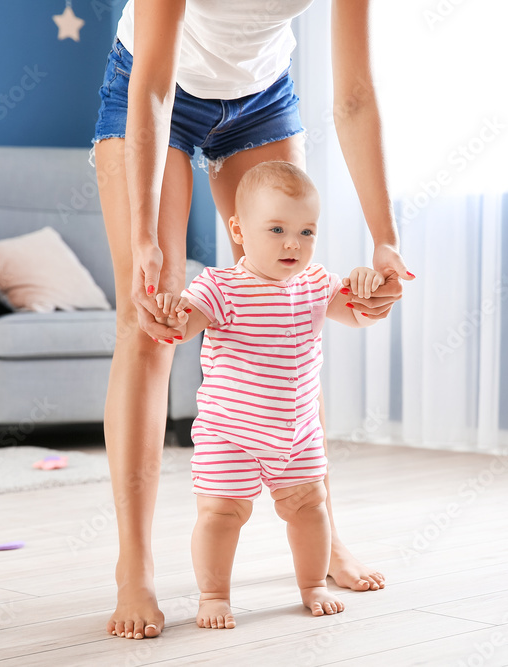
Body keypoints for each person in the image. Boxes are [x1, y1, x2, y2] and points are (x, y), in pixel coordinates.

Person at [92, 0, 412, 640]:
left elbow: (352, 94)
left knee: (287, 310)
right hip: (156, 89)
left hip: (262, 95)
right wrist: (147, 237)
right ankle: (136, 565)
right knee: (149, 320)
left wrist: (385, 239)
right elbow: (153, 87)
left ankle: (319, 526)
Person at [154, 161, 383, 628]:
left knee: (310, 509)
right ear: (238, 230)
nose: (293, 243)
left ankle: (313, 583)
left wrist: (369, 285)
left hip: (297, 432)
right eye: (276, 229)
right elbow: (188, 322)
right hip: (229, 432)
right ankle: (214, 594)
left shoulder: (317, 283)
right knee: (221, 514)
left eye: (306, 231)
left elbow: (360, 314)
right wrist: (176, 313)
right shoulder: (221, 287)